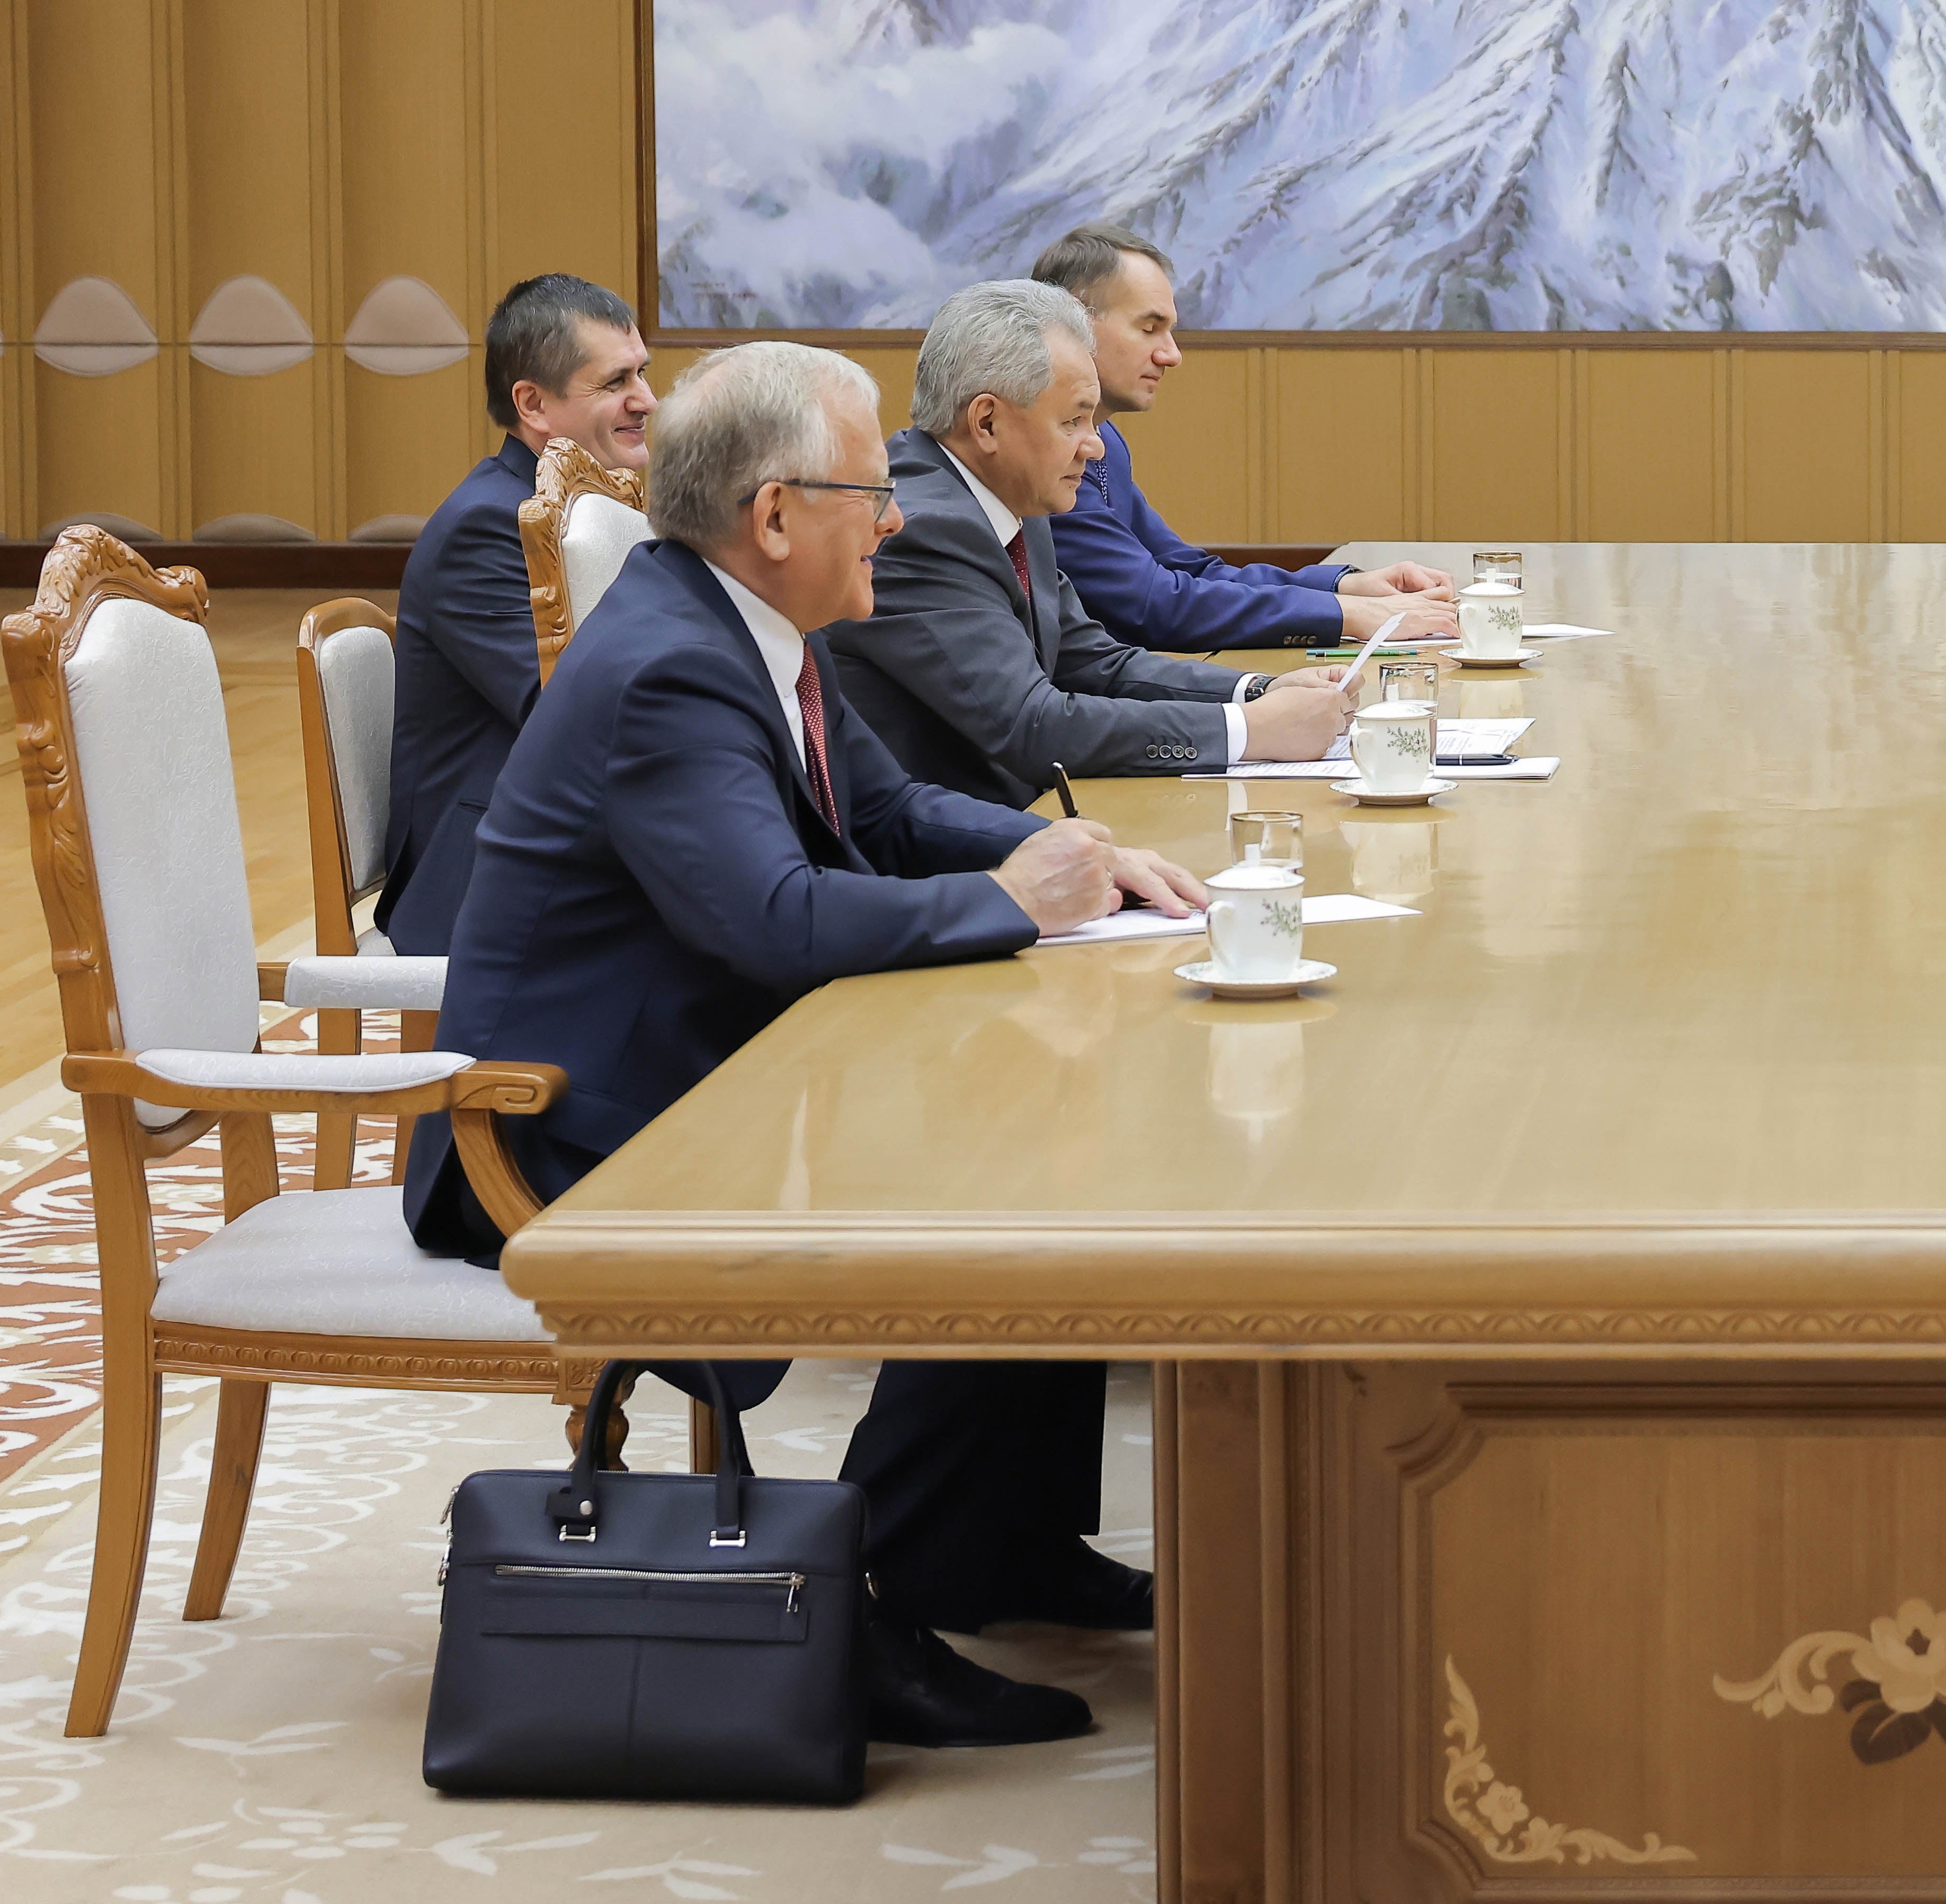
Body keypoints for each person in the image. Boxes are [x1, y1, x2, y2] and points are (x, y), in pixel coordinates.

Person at [402, 341, 1214, 1747]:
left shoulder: (744, 621)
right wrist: (1006, 906)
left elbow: (890, 814)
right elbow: (774, 921)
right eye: (871, 492)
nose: (898, 516)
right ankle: (881, 1594)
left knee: (1039, 1120)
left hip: (695, 1068)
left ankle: (993, 1547)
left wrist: (1069, 850)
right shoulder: (672, 666)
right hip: (570, 1132)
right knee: (1006, 1162)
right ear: (775, 517)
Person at [824, 279, 1354, 808]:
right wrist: (1247, 730)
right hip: (954, 853)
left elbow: (1096, 663)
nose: (1095, 444)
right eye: (1074, 420)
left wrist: (1258, 694)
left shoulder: (1012, 497)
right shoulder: (925, 529)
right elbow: (1034, 725)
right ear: (987, 422)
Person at [374, 275, 652, 965]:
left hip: (573, 837)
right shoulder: (488, 526)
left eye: (642, 372)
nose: (646, 399)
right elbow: (570, 713)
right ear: (533, 403)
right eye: (616, 381)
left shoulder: (595, 512)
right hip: (481, 876)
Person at [1031, 223, 1455, 650]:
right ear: (1073, 322)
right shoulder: (1041, 451)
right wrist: (1350, 616)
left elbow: (1187, 569)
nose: (1171, 355)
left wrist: (1345, 588)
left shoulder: (1106, 443)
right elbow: (1154, 604)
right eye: (1149, 328)